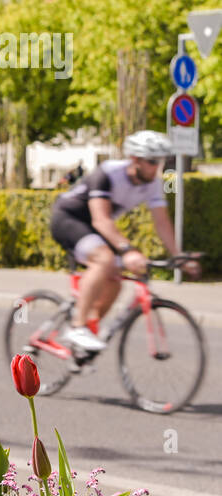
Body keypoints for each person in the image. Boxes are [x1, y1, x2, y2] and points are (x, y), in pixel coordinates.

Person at [50, 131, 200, 354]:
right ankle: (77, 327)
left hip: (95, 227)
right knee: (104, 259)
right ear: (135, 159)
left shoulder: (153, 184)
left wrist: (178, 255)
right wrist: (128, 250)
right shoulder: (109, 173)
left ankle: (88, 327)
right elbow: (101, 220)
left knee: (115, 280)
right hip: (68, 218)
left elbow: (162, 223)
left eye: (160, 161)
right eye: (151, 161)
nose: (156, 167)